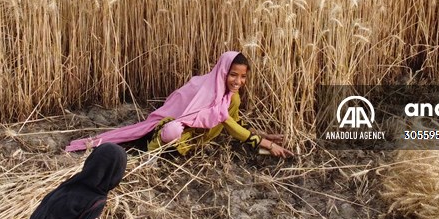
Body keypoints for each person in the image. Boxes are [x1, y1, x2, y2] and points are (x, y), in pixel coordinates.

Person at [65, 51, 293, 158]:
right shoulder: (199, 86)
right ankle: (153, 146)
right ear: (223, 71)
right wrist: (263, 143)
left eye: (243, 77)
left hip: (195, 135)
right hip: (171, 127)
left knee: (234, 101)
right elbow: (225, 121)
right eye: (234, 75)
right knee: (172, 131)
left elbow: (232, 121)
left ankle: (183, 146)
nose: (238, 81)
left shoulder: (230, 97)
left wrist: (259, 134)